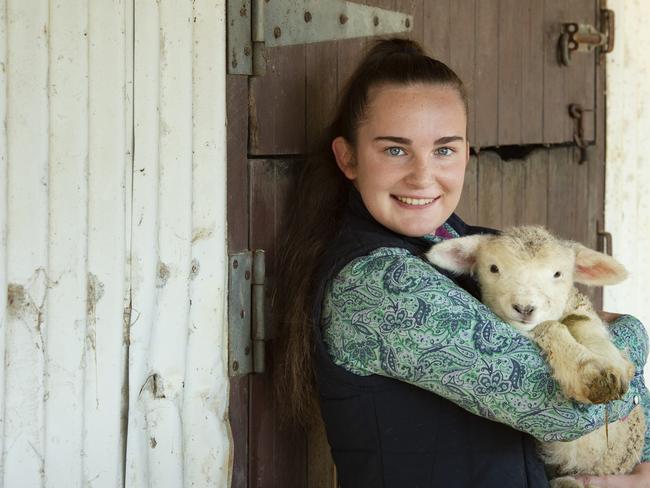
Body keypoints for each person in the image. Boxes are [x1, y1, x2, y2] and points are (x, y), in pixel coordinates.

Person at [275, 38, 650, 487]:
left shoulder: (484, 250)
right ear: (349, 158)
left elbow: (615, 406)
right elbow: (569, 407)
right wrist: (627, 331)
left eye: (444, 149)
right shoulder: (378, 285)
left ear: (467, 154)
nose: (422, 175)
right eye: (395, 150)